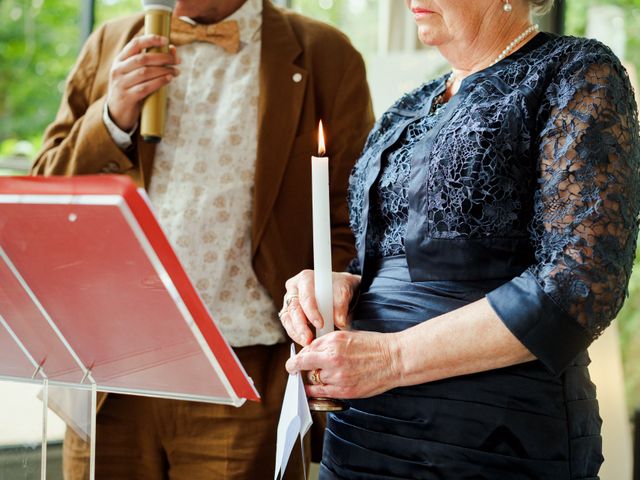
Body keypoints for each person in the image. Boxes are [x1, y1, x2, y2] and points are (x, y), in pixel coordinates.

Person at [280, 0, 640, 478]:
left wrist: (392, 359)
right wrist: (343, 283)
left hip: (488, 435)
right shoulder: (408, 107)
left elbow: (580, 282)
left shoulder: (576, 72)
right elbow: (392, 257)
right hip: (362, 432)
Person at [31, 0, 374, 478]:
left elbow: (353, 216)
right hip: (109, 376)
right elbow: (45, 191)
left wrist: (322, 321)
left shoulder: (324, 54)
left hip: (245, 382)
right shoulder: (111, 41)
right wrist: (111, 119)